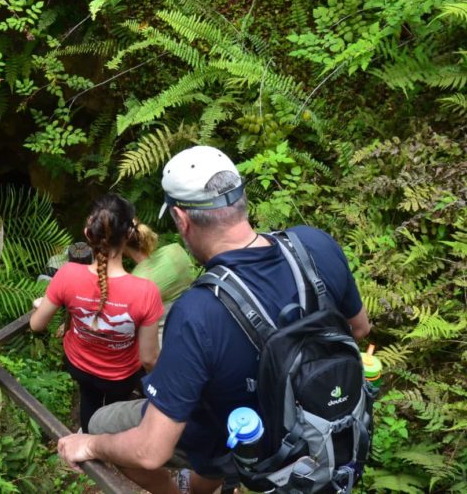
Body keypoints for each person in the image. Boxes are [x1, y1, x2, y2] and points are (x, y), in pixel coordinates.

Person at [56, 146, 371, 494]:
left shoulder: (198, 312)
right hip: (313, 421)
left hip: (233, 441)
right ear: (240, 199)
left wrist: (90, 444)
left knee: (102, 422)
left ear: (182, 218)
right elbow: (358, 329)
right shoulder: (315, 245)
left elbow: (150, 450)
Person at [30, 194, 164, 433]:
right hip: (121, 376)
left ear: (87, 233)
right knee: (115, 412)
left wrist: (43, 304)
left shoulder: (67, 274)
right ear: (129, 236)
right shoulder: (146, 291)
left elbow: (36, 325)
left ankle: (87, 443)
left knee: (89, 400)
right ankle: (108, 449)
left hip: (79, 365)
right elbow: (149, 359)